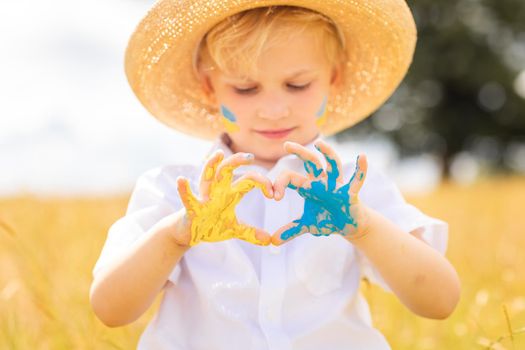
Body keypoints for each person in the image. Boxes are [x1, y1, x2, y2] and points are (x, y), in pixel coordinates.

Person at [90, 1, 461, 349]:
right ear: (209, 88)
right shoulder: (175, 191)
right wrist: (175, 236)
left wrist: (363, 227)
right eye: (245, 88)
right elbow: (110, 310)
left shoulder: (352, 187)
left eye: (297, 85)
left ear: (334, 78)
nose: (273, 109)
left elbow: (440, 300)